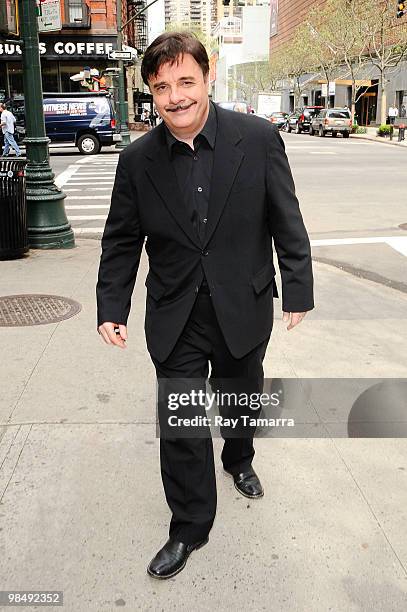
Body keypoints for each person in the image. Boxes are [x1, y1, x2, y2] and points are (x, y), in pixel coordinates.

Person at [96, 32, 314, 580]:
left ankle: (238, 459)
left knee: (241, 396)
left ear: (207, 76)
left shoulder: (259, 139)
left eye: (185, 82)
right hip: (176, 315)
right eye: (162, 87)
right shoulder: (137, 160)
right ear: (151, 91)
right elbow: (122, 240)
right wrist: (111, 304)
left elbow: (286, 218)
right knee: (182, 426)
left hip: (243, 304)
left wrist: (298, 286)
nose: (175, 97)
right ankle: (189, 526)